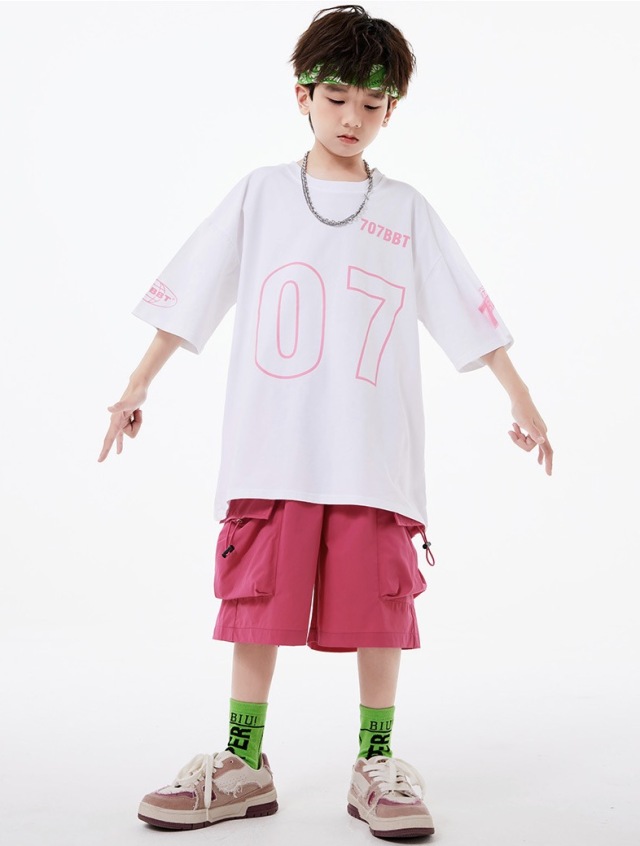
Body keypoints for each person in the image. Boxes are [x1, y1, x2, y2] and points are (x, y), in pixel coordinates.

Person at [99, 4, 553, 839]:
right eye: (337, 97)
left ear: (391, 110)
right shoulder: (261, 194)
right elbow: (194, 289)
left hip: (371, 457)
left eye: (371, 104)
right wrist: (137, 384)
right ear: (302, 95)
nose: (352, 118)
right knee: (256, 602)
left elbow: (463, 303)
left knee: (380, 604)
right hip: (272, 450)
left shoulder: (405, 209)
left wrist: (517, 394)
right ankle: (243, 760)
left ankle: (376, 762)